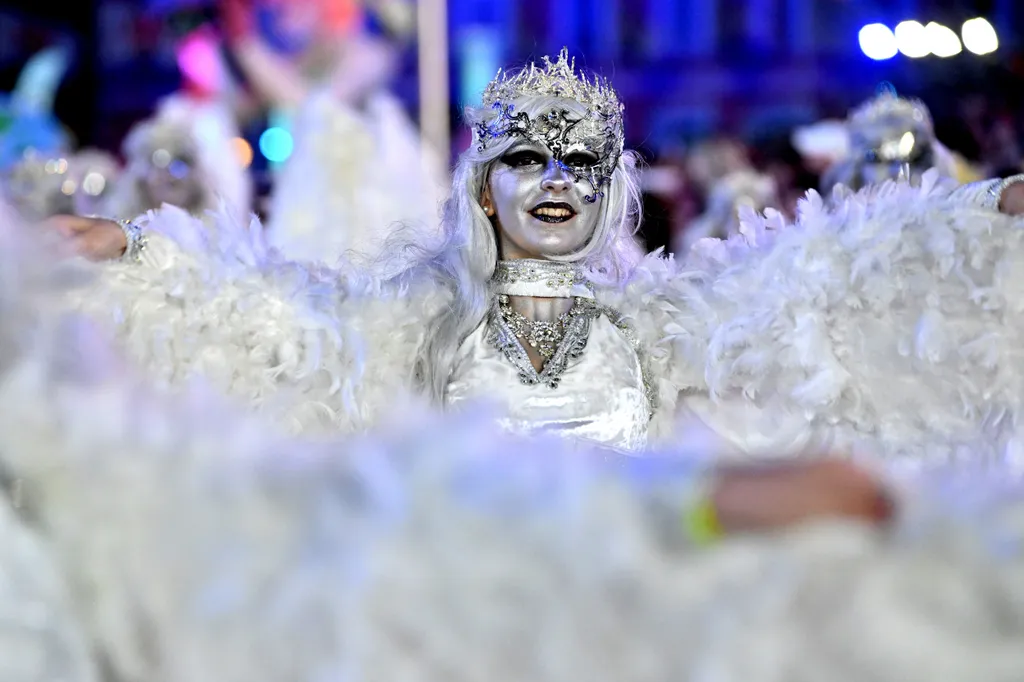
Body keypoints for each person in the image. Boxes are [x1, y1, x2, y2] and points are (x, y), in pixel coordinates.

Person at [47, 49, 1024, 462]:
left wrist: (983, 217)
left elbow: (829, 282)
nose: (556, 179)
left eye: (579, 162)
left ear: (611, 190)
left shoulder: (662, 321)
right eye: (526, 158)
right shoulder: (405, 322)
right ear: (483, 186)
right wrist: (136, 257)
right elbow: (263, 325)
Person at [219, 0, 446, 267]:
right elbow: (247, 106)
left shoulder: (368, 54)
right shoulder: (309, 63)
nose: (283, 11)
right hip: (322, 200)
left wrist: (246, 46)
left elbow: (311, 105)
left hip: (365, 210)